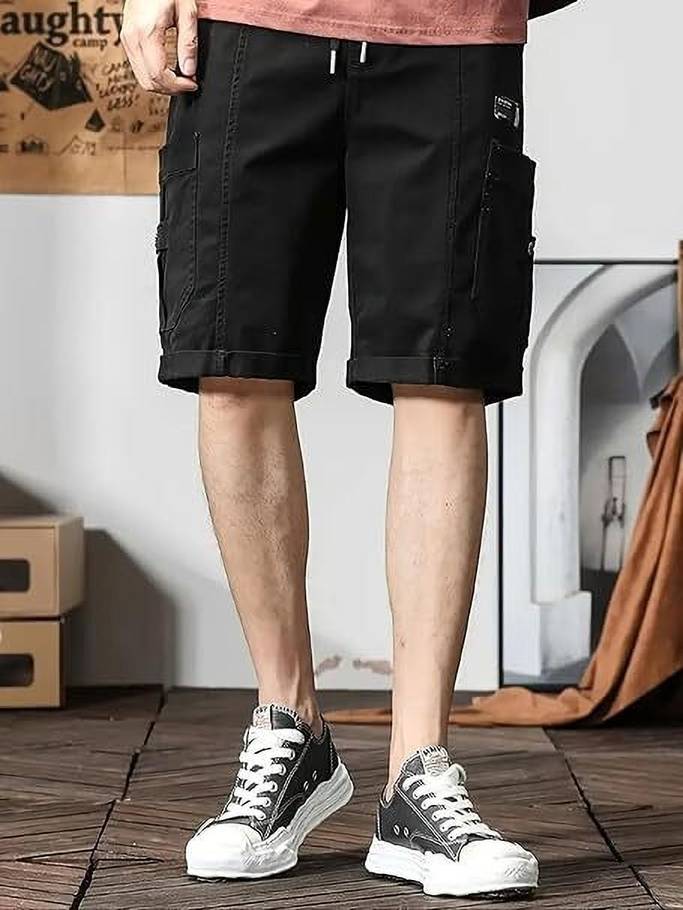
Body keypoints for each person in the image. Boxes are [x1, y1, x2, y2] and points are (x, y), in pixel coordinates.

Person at [122, 0, 575, 898]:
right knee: (232, 366)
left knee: (442, 377)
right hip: (246, 28)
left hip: (450, 36)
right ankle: (289, 726)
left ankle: (417, 773)